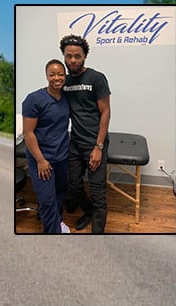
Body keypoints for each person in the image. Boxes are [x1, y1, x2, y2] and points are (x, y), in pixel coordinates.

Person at [60, 34, 111, 233]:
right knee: (72, 186)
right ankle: (88, 212)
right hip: (75, 143)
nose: (73, 60)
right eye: (69, 56)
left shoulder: (97, 78)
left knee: (98, 192)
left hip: (95, 142)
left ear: (85, 56)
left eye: (77, 56)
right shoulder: (64, 81)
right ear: (64, 56)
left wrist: (98, 147)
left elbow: (105, 112)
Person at [21, 59, 71, 234]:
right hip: (41, 158)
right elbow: (28, 133)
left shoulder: (66, 97)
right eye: (52, 74)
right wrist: (41, 160)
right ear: (47, 76)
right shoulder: (34, 100)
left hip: (61, 156)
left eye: (60, 74)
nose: (56, 78)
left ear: (65, 76)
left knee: (59, 193)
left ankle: (57, 222)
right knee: (47, 200)